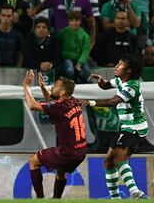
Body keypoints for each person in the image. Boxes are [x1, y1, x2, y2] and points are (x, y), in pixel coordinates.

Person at [80, 54, 147, 199]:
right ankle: (115, 199)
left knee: (118, 159)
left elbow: (112, 102)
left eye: (121, 64)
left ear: (128, 70)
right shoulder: (120, 80)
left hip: (135, 127)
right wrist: (101, 81)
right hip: (124, 127)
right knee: (109, 162)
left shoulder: (132, 86)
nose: (117, 66)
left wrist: (92, 102)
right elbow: (106, 86)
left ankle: (135, 192)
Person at [23, 70, 87, 199]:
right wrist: (42, 87)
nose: (52, 86)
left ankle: (40, 199)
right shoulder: (72, 101)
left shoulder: (60, 107)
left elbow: (32, 105)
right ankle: (56, 199)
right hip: (81, 151)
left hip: (68, 152)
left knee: (33, 161)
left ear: (62, 92)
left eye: (56, 85)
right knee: (60, 172)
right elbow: (53, 102)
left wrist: (26, 85)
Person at [56, 11, 91, 83]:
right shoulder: (63, 32)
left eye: (77, 20)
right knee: (70, 70)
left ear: (80, 21)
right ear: (68, 22)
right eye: (72, 20)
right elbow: (55, 39)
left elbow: (85, 51)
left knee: (87, 72)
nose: (74, 22)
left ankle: (82, 82)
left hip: (80, 58)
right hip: (67, 57)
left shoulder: (85, 35)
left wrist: (80, 63)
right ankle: (69, 83)